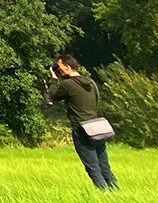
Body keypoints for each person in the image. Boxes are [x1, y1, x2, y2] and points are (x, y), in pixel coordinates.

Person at [47, 54, 119, 190]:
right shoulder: (91, 83)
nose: (59, 70)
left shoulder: (68, 85)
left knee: (93, 167)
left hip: (81, 129)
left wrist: (54, 79)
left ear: (67, 67)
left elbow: (53, 95)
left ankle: (103, 196)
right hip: (97, 128)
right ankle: (116, 193)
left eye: (60, 68)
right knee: (104, 166)